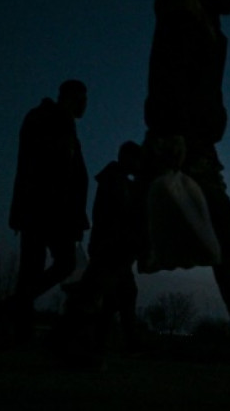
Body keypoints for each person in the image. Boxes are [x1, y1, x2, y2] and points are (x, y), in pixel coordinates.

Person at [142, 0, 230, 375]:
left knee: (133, 236)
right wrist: (173, 131)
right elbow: (169, 72)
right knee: (224, 242)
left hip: (193, 142)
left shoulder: (213, 29)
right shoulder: (185, 14)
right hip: (178, 141)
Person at [0, 79, 90, 342]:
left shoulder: (63, 124)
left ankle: (16, 318)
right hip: (44, 207)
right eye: (83, 99)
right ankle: (18, 320)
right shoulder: (44, 119)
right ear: (71, 97)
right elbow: (35, 166)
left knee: (43, 267)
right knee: (51, 265)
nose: (85, 105)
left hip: (51, 208)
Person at [59, 140, 144, 365]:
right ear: (127, 158)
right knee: (104, 295)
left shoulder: (117, 180)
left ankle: (102, 344)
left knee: (117, 295)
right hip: (112, 248)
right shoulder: (116, 181)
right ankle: (88, 344)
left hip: (113, 247)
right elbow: (119, 215)